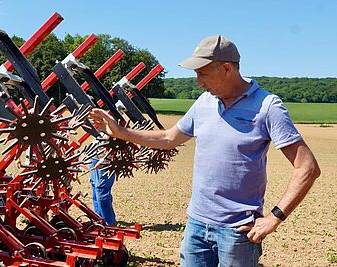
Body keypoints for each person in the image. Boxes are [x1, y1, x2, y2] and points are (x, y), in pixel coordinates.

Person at [89, 35, 321, 266]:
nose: (199, 82)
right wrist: (121, 132)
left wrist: (274, 218)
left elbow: (307, 168)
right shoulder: (204, 102)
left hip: (238, 232)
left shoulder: (268, 107)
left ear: (227, 69)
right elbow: (169, 138)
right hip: (197, 226)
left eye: (203, 73)